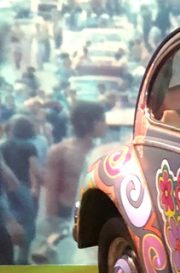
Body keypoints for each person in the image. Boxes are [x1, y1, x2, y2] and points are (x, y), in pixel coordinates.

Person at [39, 101, 106, 260]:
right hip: (67, 217)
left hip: (94, 216)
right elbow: (51, 192)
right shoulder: (60, 151)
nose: (106, 125)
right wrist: (53, 228)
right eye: (103, 120)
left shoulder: (103, 152)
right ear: (92, 122)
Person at [0, 115, 41, 263]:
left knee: (10, 218)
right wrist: (38, 185)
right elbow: (35, 169)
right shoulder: (29, 146)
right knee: (29, 221)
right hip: (22, 186)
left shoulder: (3, 145)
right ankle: (23, 256)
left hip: (6, 191)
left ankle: (10, 248)